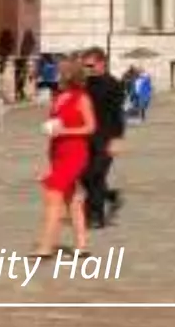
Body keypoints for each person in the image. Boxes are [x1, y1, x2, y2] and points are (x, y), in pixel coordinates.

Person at [32, 60, 96, 258]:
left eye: (60, 73)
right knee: (72, 200)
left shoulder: (82, 98)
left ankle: (46, 246)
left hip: (75, 152)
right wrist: (51, 130)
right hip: (58, 152)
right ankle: (81, 245)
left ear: (69, 76)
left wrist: (65, 130)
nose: (56, 77)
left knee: (53, 197)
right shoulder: (58, 97)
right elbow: (57, 123)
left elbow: (90, 127)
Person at [79, 48, 125, 231]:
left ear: (101, 63)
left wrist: (117, 139)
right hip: (85, 137)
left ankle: (95, 216)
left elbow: (118, 114)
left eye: (90, 65)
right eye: (85, 66)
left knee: (96, 175)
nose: (87, 69)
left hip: (105, 138)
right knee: (83, 176)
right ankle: (109, 195)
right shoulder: (84, 84)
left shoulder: (113, 84)